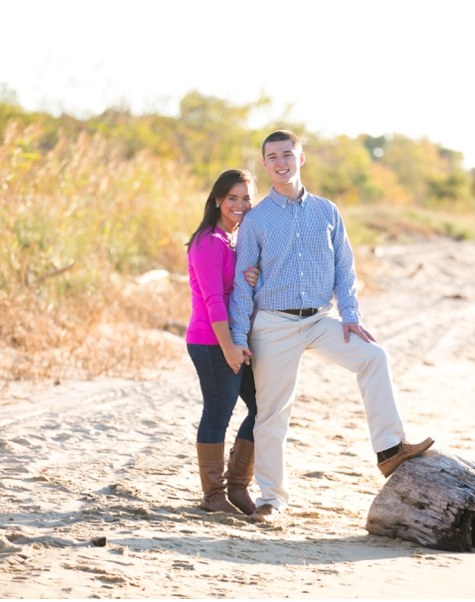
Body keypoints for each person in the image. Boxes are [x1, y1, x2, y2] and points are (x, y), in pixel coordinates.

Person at [229, 130, 434, 522]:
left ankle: (390, 449)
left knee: (374, 357)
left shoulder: (327, 211)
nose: (280, 162)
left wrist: (351, 315)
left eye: (287, 154)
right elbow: (242, 283)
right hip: (273, 324)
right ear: (265, 164)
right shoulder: (256, 220)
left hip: (322, 319)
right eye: (272, 157)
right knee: (272, 414)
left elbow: (345, 267)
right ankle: (272, 500)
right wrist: (239, 337)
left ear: (300, 159)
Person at [185, 169, 261, 515]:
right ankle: (213, 495)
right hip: (210, 340)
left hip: (234, 338)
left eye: (246, 198)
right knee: (218, 412)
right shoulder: (208, 242)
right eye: (233, 197)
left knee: (262, 407)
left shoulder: (234, 240)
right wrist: (229, 346)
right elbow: (214, 299)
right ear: (217, 199)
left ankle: (238, 489)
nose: (240, 204)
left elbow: (237, 290)